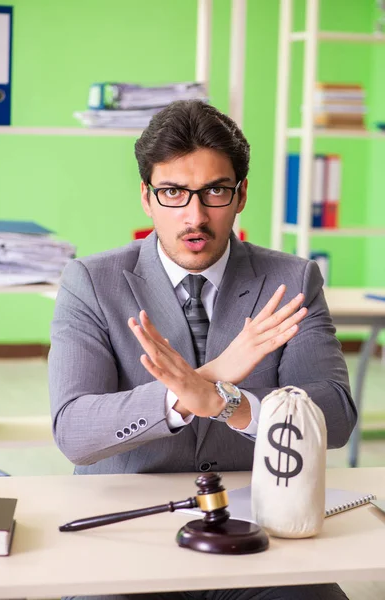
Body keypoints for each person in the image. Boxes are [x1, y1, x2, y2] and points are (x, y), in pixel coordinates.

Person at [49, 100, 356, 600]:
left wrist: (227, 405)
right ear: (147, 198)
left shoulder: (292, 279)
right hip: (129, 535)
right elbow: (75, 431)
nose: (195, 216)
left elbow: (336, 418)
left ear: (241, 196)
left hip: (260, 534)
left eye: (215, 191)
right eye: (173, 192)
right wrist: (198, 386)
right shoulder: (90, 282)